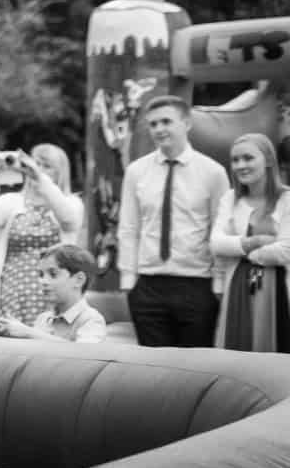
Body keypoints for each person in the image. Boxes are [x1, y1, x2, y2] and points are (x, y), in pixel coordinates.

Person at [117, 95, 229, 347]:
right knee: (153, 369)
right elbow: (129, 228)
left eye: (166, 121)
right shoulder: (136, 171)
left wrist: (219, 282)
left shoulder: (213, 172)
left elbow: (219, 228)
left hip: (196, 283)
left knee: (195, 368)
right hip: (147, 284)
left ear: (186, 123)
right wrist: (128, 281)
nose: (159, 129)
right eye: (153, 124)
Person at [0, 144, 85, 328]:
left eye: (47, 166)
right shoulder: (14, 202)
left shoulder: (71, 203)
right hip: (13, 293)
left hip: (55, 295)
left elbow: (68, 220)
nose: (38, 170)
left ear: (60, 173)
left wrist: (40, 179)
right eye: (36, 164)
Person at [210, 134, 290, 351]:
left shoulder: (286, 200)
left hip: (279, 289)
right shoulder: (230, 199)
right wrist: (257, 241)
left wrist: (244, 252)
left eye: (248, 158)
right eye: (235, 160)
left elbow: (286, 250)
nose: (240, 165)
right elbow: (216, 243)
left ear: (268, 160)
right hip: (237, 287)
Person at [0, 243, 106, 343]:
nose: (43, 281)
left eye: (53, 274)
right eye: (41, 275)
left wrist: (27, 333)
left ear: (79, 280)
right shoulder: (43, 319)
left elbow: (85, 355)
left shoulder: (91, 319)